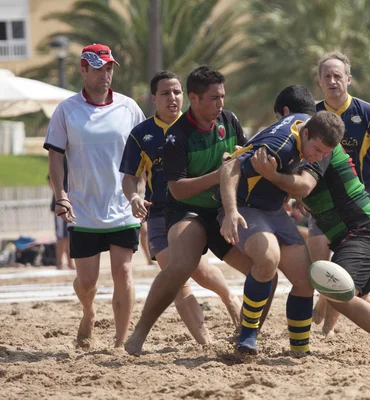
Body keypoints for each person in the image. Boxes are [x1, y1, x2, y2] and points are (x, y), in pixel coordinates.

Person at [250, 85, 370, 356]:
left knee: (340, 294)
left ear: (287, 115)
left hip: (364, 231)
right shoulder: (303, 148)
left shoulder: (321, 146)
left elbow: (303, 186)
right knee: (357, 297)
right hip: (354, 233)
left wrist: (274, 178)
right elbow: (300, 188)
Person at [124, 66, 272, 356]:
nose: (221, 103)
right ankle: (139, 333)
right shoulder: (175, 137)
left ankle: (246, 336)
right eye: (214, 98)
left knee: (266, 269)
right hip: (183, 211)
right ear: (196, 98)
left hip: (223, 210)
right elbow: (177, 189)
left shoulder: (229, 121)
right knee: (179, 268)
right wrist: (219, 174)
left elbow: (243, 161)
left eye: (223, 96)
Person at [219, 88, 345, 355]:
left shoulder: (306, 124)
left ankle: (300, 348)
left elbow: (300, 178)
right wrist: (230, 212)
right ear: (306, 134)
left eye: (325, 154)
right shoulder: (280, 145)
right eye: (317, 150)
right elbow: (230, 167)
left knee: (305, 279)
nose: (318, 157)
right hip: (246, 208)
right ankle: (247, 336)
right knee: (268, 259)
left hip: (274, 211)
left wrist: (288, 187)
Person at [44, 43, 146, 349]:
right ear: (83, 70)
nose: (106, 74)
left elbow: (145, 151)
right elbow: (55, 157)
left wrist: (140, 191)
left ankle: (120, 341)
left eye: (109, 68)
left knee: (124, 272)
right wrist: (60, 195)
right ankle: (88, 312)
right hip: (84, 211)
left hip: (122, 206)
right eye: (99, 68)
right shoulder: (67, 110)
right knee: (86, 282)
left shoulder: (129, 108)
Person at [311, 51, 370, 336]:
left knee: (344, 271)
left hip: (358, 199)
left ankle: (327, 329)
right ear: (319, 81)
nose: (332, 80)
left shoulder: (366, 112)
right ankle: (324, 304)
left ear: (348, 79)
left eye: (338, 75)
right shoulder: (312, 114)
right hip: (322, 201)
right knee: (320, 264)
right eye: (327, 76)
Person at [47, 156, 74, 270]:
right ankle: (59, 263)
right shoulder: (62, 158)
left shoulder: (74, 159)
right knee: (61, 235)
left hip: (73, 204)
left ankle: (70, 262)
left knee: (70, 235)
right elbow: (49, 179)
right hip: (62, 204)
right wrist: (60, 196)